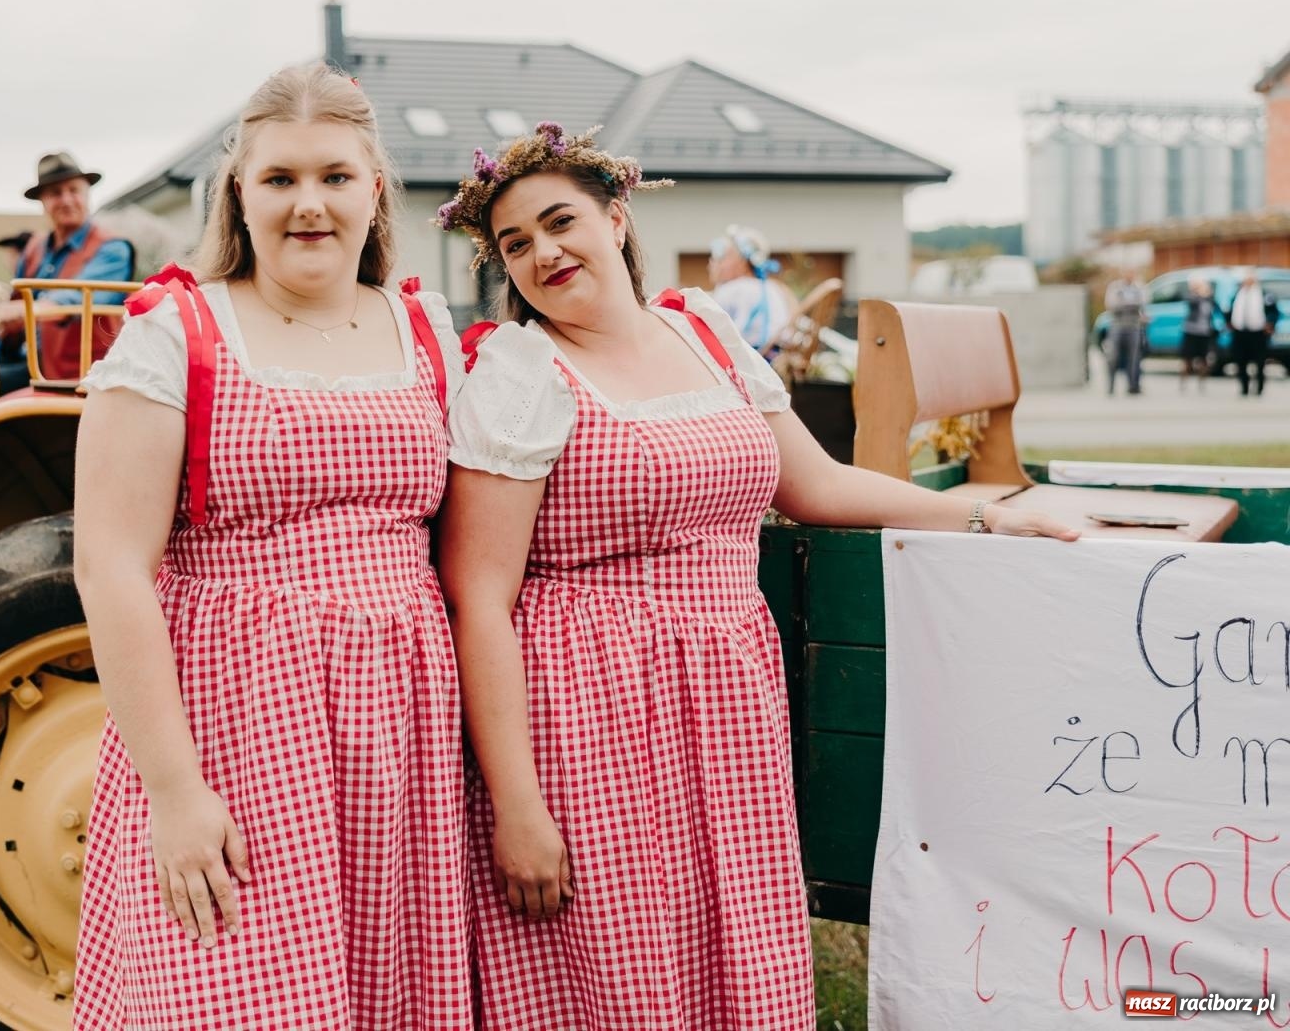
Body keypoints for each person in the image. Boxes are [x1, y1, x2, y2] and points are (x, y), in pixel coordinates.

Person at [434, 122, 1078, 1031]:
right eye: (515, 244)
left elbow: (815, 485)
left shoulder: (703, 331)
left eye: (560, 221)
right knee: (620, 963)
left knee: (731, 942)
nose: (542, 252)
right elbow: (481, 596)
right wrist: (518, 804)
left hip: (727, 693)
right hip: (588, 706)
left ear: (616, 218)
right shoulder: (521, 373)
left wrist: (986, 514)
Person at [72, 64, 470, 1029]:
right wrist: (173, 788)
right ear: (238, 193)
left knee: (385, 991)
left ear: (375, 188)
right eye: (280, 179)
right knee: (231, 993)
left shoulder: (425, 330)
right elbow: (111, 566)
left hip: (400, 727)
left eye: (335, 177)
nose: (308, 205)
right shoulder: (177, 334)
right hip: (235, 717)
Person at [0, 154, 135, 437]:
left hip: (77, 374)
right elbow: (15, 306)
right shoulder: (36, 248)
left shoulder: (112, 249)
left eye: (73, 190)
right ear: (43, 202)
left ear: (86, 194)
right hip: (34, 364)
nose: (66, 200)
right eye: (54, 193)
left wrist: (34, 309)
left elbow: (80, 297)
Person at [709, 223, 791, 356]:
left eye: (724, 257)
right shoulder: (771, 288)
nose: (717, 262)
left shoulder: (733, 289)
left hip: (752, 360)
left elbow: (711, 330)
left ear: (742, 262)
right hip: (777, 357)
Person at [1230, 268, 1277, 397]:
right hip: (1240, 333)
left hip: (1258, 333)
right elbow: (1230, 311)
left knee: (1260, 362)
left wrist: (1270, 324)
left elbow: (1274, 312)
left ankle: (1259, 388)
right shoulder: (1238, 294)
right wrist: (1230, 323)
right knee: (1240, 361)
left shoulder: (1264, 294)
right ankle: (1244, 387)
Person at [1103, 268, 1149, 396]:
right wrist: (1131, 305)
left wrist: (1126, 304)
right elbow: (1112, 305)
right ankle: (1111, 386)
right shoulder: (1115, 287)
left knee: (1134, 357)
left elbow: (1143, 303)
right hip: (1117, 326)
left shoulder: (1139, 287)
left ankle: (1133, 386)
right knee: (1113, 357)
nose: (1130, 275)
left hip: (1134, 326)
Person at [1179, 273, 1224, 392]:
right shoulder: (1192, 296)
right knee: (1187, 359)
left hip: (1204, 332)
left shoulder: (1210, 298)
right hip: (1190, 331)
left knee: (1204, 360)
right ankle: (1183, 384)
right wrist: (1200, 294)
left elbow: (1219, 310)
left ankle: (1202, 384)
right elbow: (1190, 302)